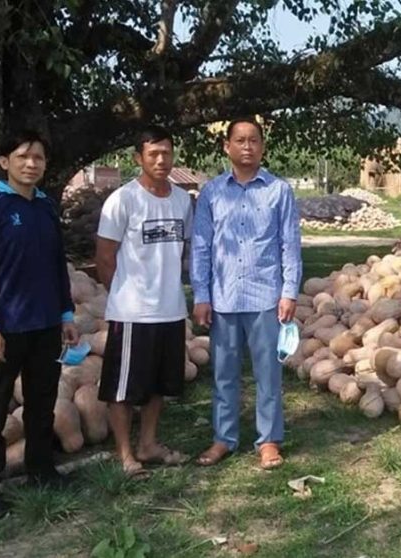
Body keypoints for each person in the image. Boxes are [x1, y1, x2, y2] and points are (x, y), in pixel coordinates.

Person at [0, 129, 80, 519]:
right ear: (4, 162)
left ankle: (41, 469)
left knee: (42, 402)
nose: (32, 164)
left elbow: (56, 266)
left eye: (39, 158)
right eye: (23, 157)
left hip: (46, 324)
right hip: (6, 326)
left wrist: (66, 314)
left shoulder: (46, 207)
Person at [191, 117, 302, 470]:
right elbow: (201, 247)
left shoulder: (278, 191)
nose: (247, 147)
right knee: (224, 373)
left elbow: (290, 245)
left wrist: (289, 292)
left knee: (267, 373)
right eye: (240, 140)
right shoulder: (211, 192)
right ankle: (224, 438)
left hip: (265, 297)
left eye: (254, 140)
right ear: (227, 146)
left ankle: (268, 440)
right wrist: (201, 295)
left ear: (262, 147)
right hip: (223, 298)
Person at [95, 125, 192, 478]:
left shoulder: (183, 201)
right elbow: (105, 258)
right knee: (122, 388)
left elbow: (185, 250)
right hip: (132, 313)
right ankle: (125, 455)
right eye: (153, 153)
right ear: (139, 158)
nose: (161, 159)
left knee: (158, 385)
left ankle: (148, 444)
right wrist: (122, 295)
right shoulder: (123, 200)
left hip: (170, 310)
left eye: (166, 152)